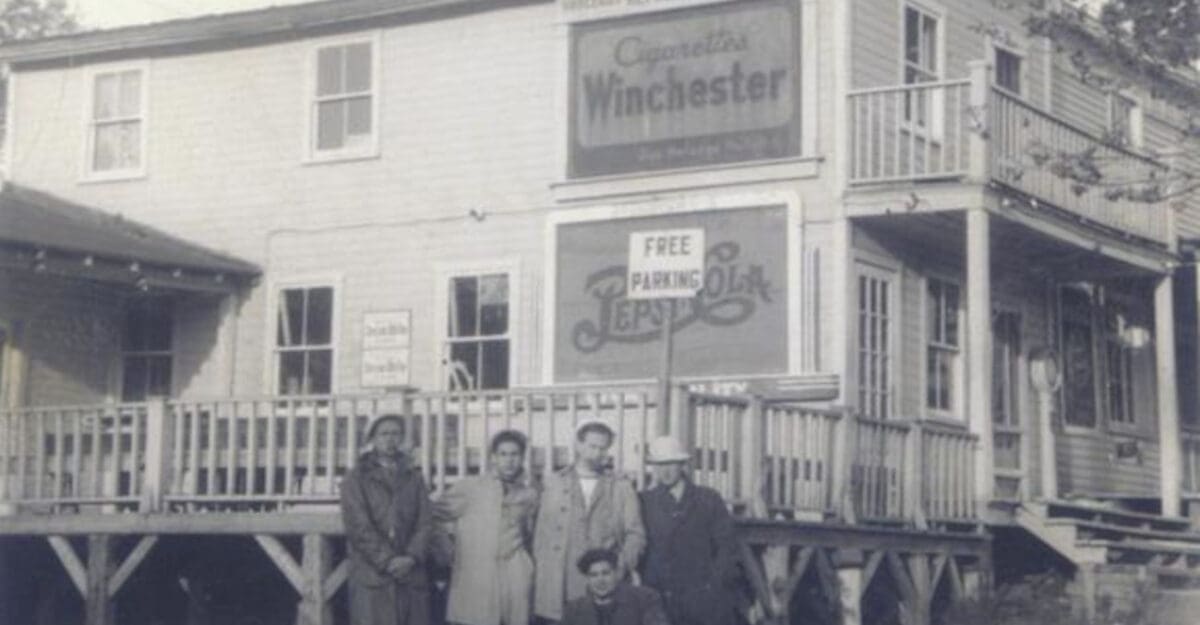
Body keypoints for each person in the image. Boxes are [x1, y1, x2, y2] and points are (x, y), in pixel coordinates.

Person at [533, 420, 646, 624]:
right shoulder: (553, 483)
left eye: (603, 448)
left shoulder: (621, 487)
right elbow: (538, 533)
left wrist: (620, 568)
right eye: (592, 446)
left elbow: (635, 533)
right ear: (578, 445)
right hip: (557, 584)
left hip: (600, 584)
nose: (597, 453)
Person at [435, 430, 539, 625]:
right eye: (503, 454)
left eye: (515, 454)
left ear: (522, 457)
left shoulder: (529, 495)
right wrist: (447, 550)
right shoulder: (470, 487)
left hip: (514, 573)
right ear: (493, 457)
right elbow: (433, 516)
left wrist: (527, 565)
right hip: (477, 574)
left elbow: (531, 534)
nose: (509, 460)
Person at [340, 414, 433, 625]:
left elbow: (425, 521)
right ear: (372, 438)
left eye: (395, 434)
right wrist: (387, 560)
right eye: (384, 434)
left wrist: (411, 556)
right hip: (373, 575)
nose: (390, 439)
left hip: (410, 574)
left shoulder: (414, 476)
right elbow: (358, 524)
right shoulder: (356, 478)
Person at [639, 436, 739, 625]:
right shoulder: (645, 501)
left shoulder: (708, 499)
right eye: (659, 465)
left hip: (703, 601)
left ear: (682, 464)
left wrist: (714, 585)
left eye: (671, 464)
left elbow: (726, 546)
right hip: (660, 598)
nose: (665, 471)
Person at [561, 549, 669, 625]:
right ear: (587, 579)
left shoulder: (645, 600)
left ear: (616, 573)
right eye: (594, 575)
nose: (600, 580)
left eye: (606, 573)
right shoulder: (573, 611)